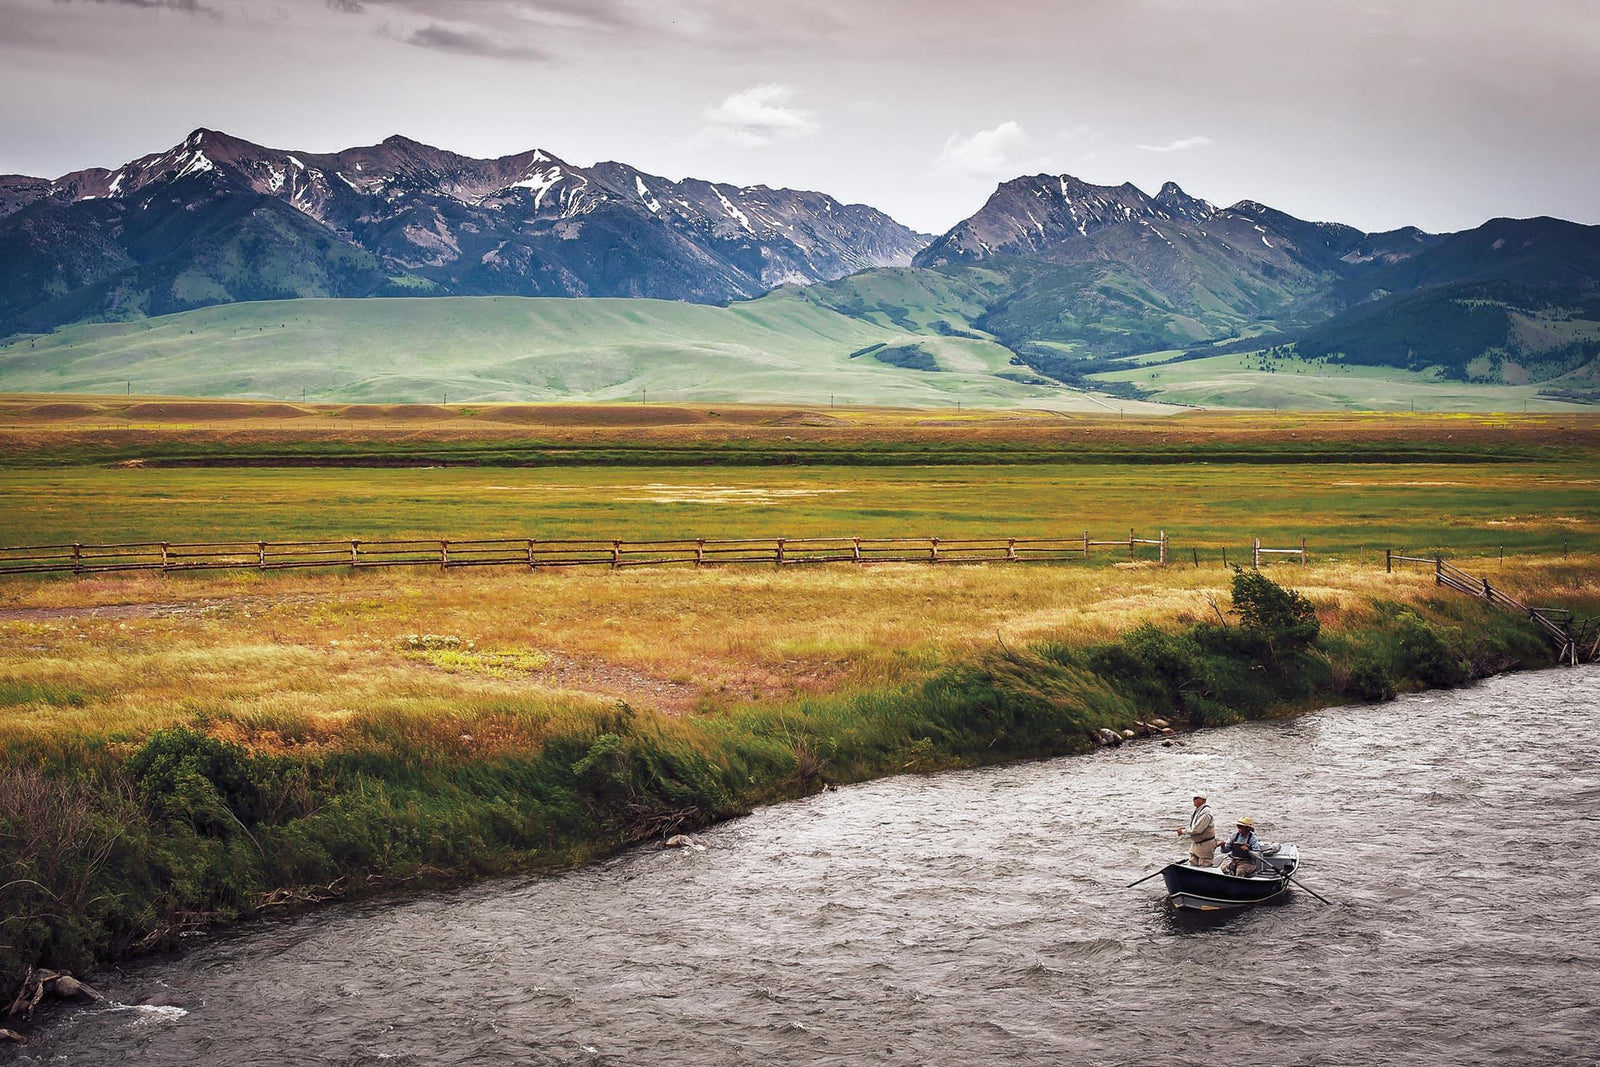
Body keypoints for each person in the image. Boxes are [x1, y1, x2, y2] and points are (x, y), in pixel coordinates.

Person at [1176, 794, 1217, 867]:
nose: (1193, 800)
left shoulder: (1206, 812)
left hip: (1205, 844)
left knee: (1205, 866)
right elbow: (1195, 826)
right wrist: (1185, 829)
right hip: (1196, 844)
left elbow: (1197, 829)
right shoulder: (1199, 810)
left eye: (1195, 798)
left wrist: (1183, 832)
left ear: (1202, 800)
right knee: (1192, 864)